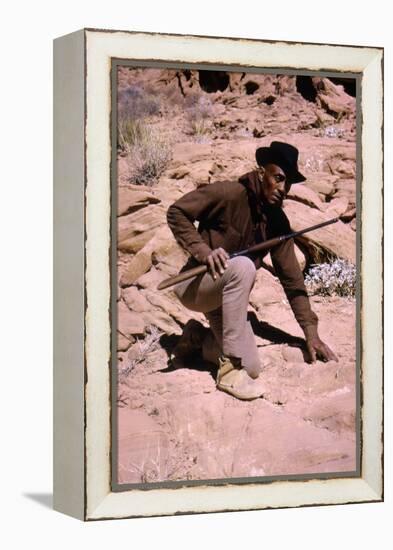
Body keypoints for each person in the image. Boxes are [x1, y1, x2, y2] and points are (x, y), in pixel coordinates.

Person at [166, 141, 338, 400]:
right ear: (262, 173)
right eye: (278, 178)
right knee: (245, 266)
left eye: (288, 183)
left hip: (224, 302)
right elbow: (176, 212)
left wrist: (310, 334)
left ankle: (198, 337)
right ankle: (229, 373)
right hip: (195, 286)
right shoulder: (229, 193)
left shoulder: (278, 222)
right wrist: (203, 251)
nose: (283, 188)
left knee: (253, 368)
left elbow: (292, 281)